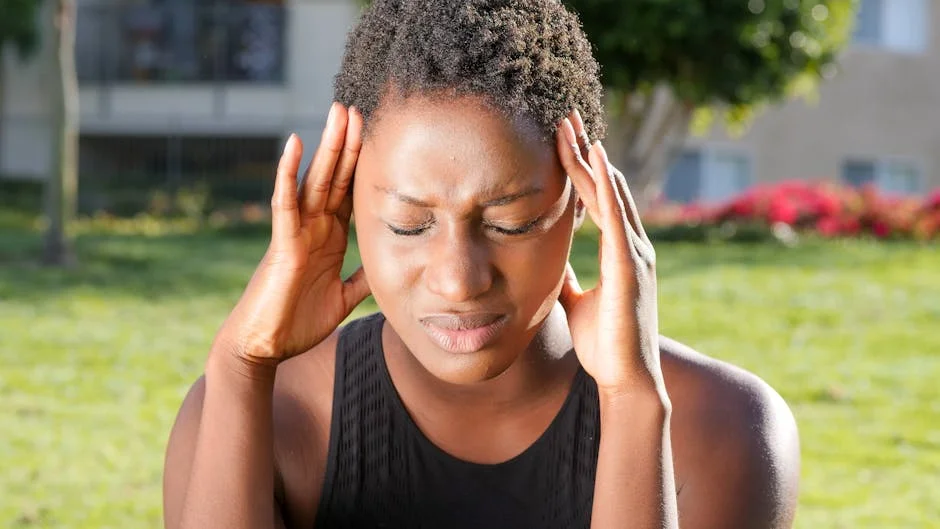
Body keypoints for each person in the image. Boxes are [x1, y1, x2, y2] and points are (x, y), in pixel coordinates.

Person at [162, 0, 801, 528]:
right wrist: (240, 365)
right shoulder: (258, 413)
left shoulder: (723, 429)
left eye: (509, 223)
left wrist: (632, 403)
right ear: (346, 207)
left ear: (583, 203)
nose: (460, 279)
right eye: (410, 224)